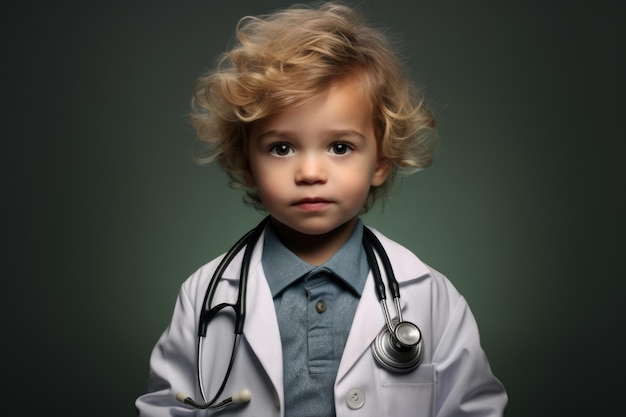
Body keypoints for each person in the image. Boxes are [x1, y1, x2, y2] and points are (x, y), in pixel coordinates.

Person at [135, 2, 507, 416]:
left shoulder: (431, 297)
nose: (310, 172)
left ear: (381, 162)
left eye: (340, 147)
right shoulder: (205, 295)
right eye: (281, 148)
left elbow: (474, 409)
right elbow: (166, 410)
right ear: (247, 165)